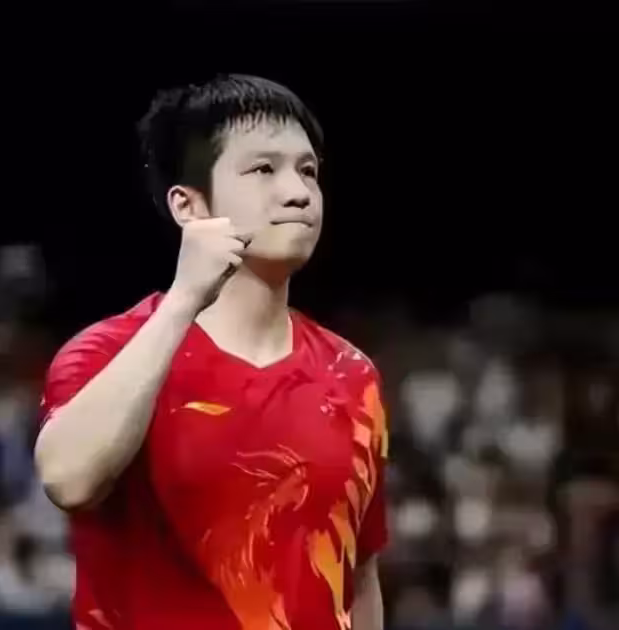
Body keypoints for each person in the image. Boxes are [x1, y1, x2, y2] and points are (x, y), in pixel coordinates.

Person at [34, 74, 389, 630]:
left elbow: (359, 580)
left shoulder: (352, 375)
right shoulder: (108, 352)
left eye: (308, 171)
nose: (298, 192)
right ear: (189, 205)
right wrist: (183, 300)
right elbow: (68, 479)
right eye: (263, 169)